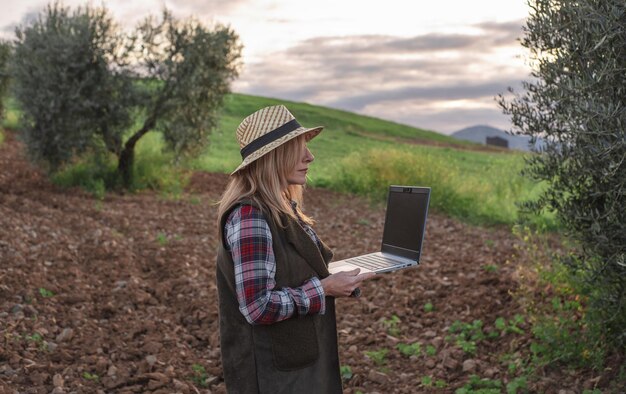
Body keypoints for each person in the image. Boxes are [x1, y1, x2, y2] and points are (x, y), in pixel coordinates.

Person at [216, 105, 375, 393]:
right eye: (298, 148)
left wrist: (340, 279)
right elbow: (257, 306)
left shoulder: (280, 207)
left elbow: (294, 272)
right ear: (274, 157)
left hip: (293, 366)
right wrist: (324, 289)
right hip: (273, 376)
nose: (310, 156)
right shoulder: (251, 217)